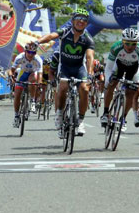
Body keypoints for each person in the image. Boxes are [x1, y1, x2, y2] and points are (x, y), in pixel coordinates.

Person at [33, 8, 95, 136]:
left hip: (79, 68)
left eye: (84, 20)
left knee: (85, 89)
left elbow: (89, 57)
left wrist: (89, 73)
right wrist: (37, 41)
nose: (81, 21)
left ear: (86, 23)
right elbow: (51, 36)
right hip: (65, 67)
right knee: (63, 86)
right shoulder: (65, 31)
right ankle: (59, 114)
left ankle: (81, 120)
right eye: (78, 18)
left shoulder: (88, 38)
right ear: (73, 20)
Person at [100, 27, 139, 131]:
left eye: (133, 44)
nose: (130, 46)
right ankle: (105, 113)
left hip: (133, 68)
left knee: (131, 92)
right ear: (122, 41)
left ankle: (123, 118)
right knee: (111, 84)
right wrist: (108, 81)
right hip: (119, 66)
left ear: (137, 43)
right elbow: (108, 68)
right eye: (127, 43)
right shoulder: (116, 47)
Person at [8, 42, 42, 127]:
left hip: (32, 74)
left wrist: (40, 83)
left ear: (36, 53)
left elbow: (40, 74)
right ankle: (16, 116)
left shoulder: (38, 59)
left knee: (32, 79)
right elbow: (11, 70)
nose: (31, 55)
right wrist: (11, 76)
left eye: (33, 53)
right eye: (29, 52)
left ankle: (33, 101)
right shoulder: (20, 57)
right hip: (23, 73)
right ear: (25, 51)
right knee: (17, 94)